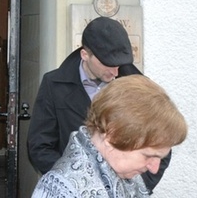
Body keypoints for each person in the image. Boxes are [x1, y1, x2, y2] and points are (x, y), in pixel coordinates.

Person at [26, 16, 171, 192]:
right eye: (108, 64)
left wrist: (135, 188)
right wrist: (71, 184)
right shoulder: (53, 84)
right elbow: (40, 146)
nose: (116, 71)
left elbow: (162, 141)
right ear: (85, 55)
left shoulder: (139, 86)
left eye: (120, 63)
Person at [32, 75, 187, 197]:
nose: (154, 169)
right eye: (148, 156)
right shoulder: (61, 190)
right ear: (112, 135)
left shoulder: (123, 172)